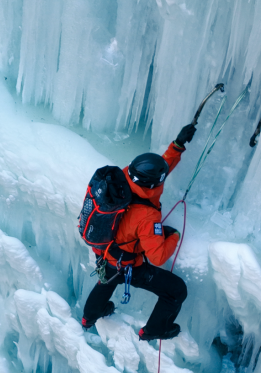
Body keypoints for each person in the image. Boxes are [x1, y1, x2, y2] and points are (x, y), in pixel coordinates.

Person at [81, 124, 197, 341]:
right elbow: (157, 256)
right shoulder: (146, 216)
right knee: (176, 291)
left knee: (107, 278)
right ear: (153, 184)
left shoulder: (125, 176)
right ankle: (154, 330)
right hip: (126, 264)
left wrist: (177, 145)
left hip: (104, 250)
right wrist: (173, 237)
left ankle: (89, 317)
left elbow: (156, 170)